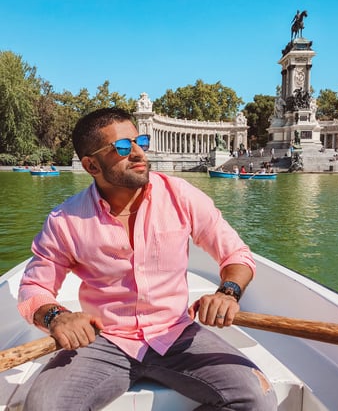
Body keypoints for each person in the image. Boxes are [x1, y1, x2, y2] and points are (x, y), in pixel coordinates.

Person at [17, 108, 277, 411]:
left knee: (257, 397)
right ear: (91, 165)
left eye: (141, 141)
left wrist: (228, 292)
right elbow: (34, 288)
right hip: (103, 340)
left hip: (176, 333)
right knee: (42, 406)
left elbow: (236, 254)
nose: (139, 153)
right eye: (124, 148)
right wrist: (57, 317)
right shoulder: (65, 220)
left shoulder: (181, 195)